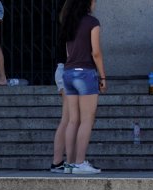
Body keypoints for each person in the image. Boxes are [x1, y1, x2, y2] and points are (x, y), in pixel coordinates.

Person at [61, 0, 106, 174]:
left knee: (73, 120)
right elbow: (96, 52)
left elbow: (67, 51)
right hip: (85, 73)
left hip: (68, 72)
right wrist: (103, 76)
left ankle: (69, 163)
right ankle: (80, 163)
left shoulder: (69, 21)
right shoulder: (92, 22)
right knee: (87, 119)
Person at [50, 6, 69, 173]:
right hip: (66, 71)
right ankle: (58, 161)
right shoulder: (72, 29)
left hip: (63, 71)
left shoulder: (66, 27)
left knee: (68, 118)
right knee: (68, 118)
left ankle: (61, 160)